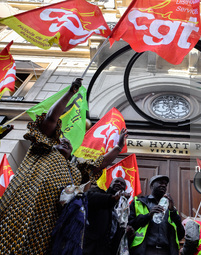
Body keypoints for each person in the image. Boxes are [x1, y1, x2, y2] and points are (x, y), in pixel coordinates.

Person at [0, 78, 128, 254]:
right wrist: (70, 93)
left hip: (49, 220)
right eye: (61, 139)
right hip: (22, 208)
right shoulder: (42, 149)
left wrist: (118, 147)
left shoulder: (76, 170)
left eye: (68, 142)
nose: (65, 141)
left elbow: (100, 164)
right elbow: (52, 118)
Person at [128, 175, 185, 255]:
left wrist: (173, 212)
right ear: (152, 185)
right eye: (160, 183)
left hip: (166, 252)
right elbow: (130, 225)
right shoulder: (138, 202)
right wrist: (148, 215)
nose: (164, 185)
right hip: (144, 250)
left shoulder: (171, 208)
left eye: (165, 184)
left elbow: (180, 234)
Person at [83, 177, 134, 255]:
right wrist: (113, 198)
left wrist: (126, 232)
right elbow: (88, 197)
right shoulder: (98, 192)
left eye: (122, 184)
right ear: (110, 184)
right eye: (116, 181)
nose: (119, 184)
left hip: (107, 250)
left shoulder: (123, 208)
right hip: (90, 247)